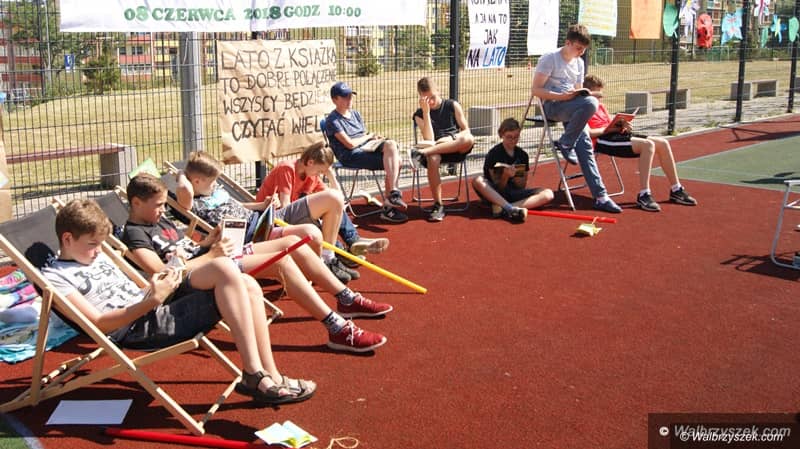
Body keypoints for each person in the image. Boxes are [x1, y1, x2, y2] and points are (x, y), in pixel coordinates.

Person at [43, 199, 316, 405]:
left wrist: (160, 285)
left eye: (100, 244)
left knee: (243, 280)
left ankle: (269, 373)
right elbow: (98, 324)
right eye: (93, 244)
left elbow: (135, 289)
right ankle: (255, 374)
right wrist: (154, 299)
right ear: (67, 239)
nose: (98, 251)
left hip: (152, 300)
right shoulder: (55, 277)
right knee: (232, 277)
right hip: (138, 325)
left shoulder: (94, 254)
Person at [128, 174, 391, 353]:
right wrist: (210, 255)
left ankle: (345, 298)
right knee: (281, 262)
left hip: (213, 258)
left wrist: (209, 240)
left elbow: (186, 249)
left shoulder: (157, 220)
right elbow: (162, 273)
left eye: (163, 205)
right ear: (136, 203)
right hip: (198, 277)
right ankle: (336, 327)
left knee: (294, 243)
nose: (163, 210)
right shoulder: (133, 233)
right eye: (158, 205)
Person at [175, 151, 354, 283]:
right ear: (196, 182)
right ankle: (320, 269)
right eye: (212, 181)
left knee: (333, 197)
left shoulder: (212, 191)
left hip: (265, 217)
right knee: (311, 232)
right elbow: (184, 189)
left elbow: (238, 206)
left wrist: (262, 205)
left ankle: (328, 259)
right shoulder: (194, 202)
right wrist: (181, 174)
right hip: (257, 234)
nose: (215, 184)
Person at [531, 23, 622, 214]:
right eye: (578, 48)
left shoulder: (579, 63)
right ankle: (566, 142)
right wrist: (562, 97)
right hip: (553, 106)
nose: (581, 53)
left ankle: (601, 196)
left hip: (573, 108)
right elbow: (536, 90)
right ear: (568, 43)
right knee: (591, 104)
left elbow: (580, 92)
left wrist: (585, 93)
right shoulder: (550, 59)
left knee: (586, 145)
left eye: (584, 49)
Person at [254, 142, 390, 267]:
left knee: (333, 204)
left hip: (294, 215)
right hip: (273, 219)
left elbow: (338, 200)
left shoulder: (312, 175)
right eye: (320, 171)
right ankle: (342, 252)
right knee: (318, 220)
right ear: (310, 162)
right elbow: (285, 206)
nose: (320, 175)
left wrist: (330, 175)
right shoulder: (287, 169)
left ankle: (352, 241)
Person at [583, 74, 698, 212]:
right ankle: (644, 194)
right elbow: (588, 133)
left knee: (663, 143)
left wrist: (622, 124)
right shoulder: (583, 107)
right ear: (589, 92)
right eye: (598, 94)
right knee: (648, 145)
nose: (601, 97)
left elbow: (609, 123)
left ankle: (676, 189)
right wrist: (610, 129)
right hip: (602, 140)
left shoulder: (600, 106)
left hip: (614, 135)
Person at [323, 81, 409, 223]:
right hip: (350, 156)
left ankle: (393, 195)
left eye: (350, 96)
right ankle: (389, 205)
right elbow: (350, 144)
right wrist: (368, 137)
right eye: (345, 97)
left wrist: (374, 138)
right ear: (335, 100)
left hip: (366, 148)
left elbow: (362, 136)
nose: (349, 99)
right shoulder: (332, 120)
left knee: (391, 146)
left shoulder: (355, 114)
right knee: (396, 161)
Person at [409, 77, 475, 222]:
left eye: (432, 97)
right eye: (426, 99)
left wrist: (451, 138)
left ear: (438, 91)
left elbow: (466, 130)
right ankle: (438, 205)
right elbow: (429, 139)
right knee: (433, 158)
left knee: (469, 139)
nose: (431, 102)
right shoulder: (419, 114)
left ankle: (420, 154)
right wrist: (426, 113)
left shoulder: (452, 105)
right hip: (435, 150)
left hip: (455, 146)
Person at [472, 118, 555, 222]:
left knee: (548, 194)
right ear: (501, 135)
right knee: (477, 180)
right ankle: (509, 208)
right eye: (509, 137)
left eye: (516, 137)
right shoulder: (494, 154)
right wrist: (505, 176)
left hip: (514, 193)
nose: (513, 140)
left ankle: (506, 208)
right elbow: (498, 189)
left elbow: (521, 186)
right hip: (495, 194)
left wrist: (516, 175)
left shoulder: (522, 155)